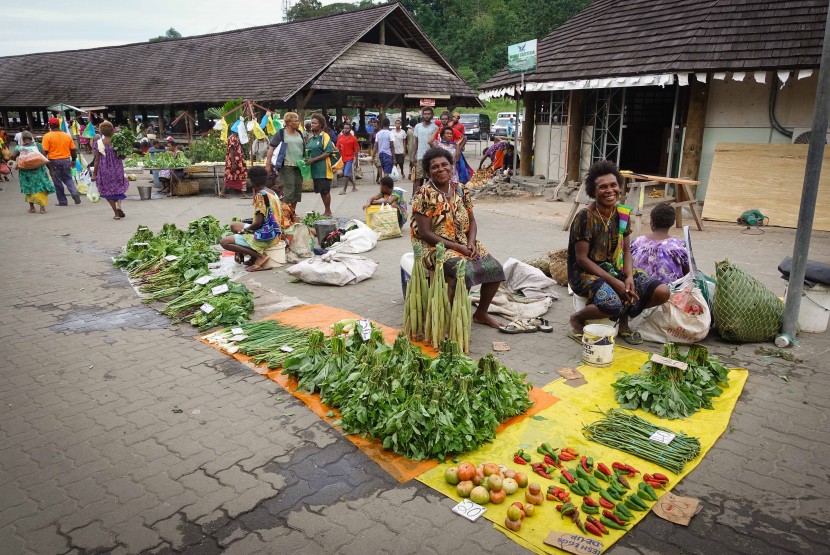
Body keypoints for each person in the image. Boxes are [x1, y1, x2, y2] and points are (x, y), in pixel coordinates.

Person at [567, 160, 671, 345]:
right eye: (603, 187)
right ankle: (577, 318)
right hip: (585, 273)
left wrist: (629, 277)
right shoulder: (585, 217)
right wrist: (614, 281)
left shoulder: (622, 214)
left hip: (616, 269)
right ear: (593, 191)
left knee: (662, 292)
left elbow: (626, 250)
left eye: (613, 185)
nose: (610, 190)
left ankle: (623, 320)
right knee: (612, 303)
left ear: (620, 187)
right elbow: (581, 259)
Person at [411, 147, 505, 329]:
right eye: (435, 167)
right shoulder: (423, 194)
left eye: (444, 164)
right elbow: (424, 233)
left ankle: (481, 313)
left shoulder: (461, 190)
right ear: (429, 171)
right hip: (434, 248)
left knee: (495, 270)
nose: (441, 169)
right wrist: (457, 247)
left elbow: (472, 220)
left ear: (451, 166)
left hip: (463, 242)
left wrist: (470, 243)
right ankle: (451, 319)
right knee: (465, 272)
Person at [220, 167, 284, 272]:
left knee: (224, 242)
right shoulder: (271, 192)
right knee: (234, 226)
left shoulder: (260, 196)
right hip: (275, 231)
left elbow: (258, 223)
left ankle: (259, 256)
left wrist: (245, 231)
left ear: (252, 181)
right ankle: (252, 257)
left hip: (266, 236)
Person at [631, 203, 690, 284]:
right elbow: (688, 274)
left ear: (652, 221)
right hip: (669, 293)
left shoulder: (637, 242)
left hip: (639, 289)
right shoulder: (678, 247)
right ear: (672, 223)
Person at [265, 111, 305, 211]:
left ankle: (292, 212)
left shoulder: (299, 133)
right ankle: (285, 213)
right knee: (289, 191)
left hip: (299, 166)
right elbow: (271, 148)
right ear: (288, 122)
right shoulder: (281, 133)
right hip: (286, 166)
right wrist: (268, 164)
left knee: (297, 191)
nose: (298, 123)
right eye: (295, 121)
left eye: (298, 121)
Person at [92, 121, 130, 220]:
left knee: (107, 191)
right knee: (118, 188)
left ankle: (116, 214)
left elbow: (96, 160)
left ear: (101, 131)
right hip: (117, 168)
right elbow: (123, 156)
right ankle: (118, 205)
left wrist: (94, 174)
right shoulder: (118, 141)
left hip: (104, 169)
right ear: (112, 130)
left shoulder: (98, 143)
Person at [10, 131, 55, 213]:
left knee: (28, 188)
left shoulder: (19, 147)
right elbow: (44, 159)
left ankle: (32, 207)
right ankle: (42, 208)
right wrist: (51, 170)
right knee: (41, 188)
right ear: (31, 138)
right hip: (39, 171)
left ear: (22, 139)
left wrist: (15, 164)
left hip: (25, 172)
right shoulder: (38, 145)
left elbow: (13, 156)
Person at [42, 117, 80, 206]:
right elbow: (73, 150)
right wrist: (73, 160)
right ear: (59, 125)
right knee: (68, 178)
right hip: (66, 160)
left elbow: (45, 152)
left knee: (57, 181)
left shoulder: (47, 136)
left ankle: (63, 201)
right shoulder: (67, 135)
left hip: (54, 161)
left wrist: (47, 166)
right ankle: (74, 193)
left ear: (50, 125)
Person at [306, 113, 336, 217]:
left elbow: (328, 152)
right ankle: (326, 211)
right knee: (321, 191)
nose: (312, 125)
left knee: (325, 191)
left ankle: (328, 211)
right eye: (311, 123)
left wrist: (314, 159)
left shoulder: (325, 136)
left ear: (320, 124)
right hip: (315, 170)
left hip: (324, 169)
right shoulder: (312, 138)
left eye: (315, 123)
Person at [220, 122, 248, 198]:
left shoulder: (235, 138)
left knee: (239, 176)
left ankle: (243, 194)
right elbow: (231, 151)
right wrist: (233, 163)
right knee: (231, 176)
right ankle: (223, 191)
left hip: (238, 161)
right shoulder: (232, 138)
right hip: (234, 161)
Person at [412, 108, 438, 189]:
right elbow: (416, 142)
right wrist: (414, 155)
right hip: (419, 156)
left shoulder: (435, 127)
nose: (427, 115)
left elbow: (435, 143)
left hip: (430, 157)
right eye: (425, 114)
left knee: (428, 179)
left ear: (432, 115)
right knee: (418, 179)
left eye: (428, 114)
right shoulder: (418, 126)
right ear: (422, 115)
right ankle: (415, 198)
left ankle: (426, 198)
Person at [336, 122, 360, 195]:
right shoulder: (340, 137)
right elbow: (338, 147)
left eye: (347, 128)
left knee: (346, 174)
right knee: (345, 173)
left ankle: (344, 190)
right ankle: (354, 185)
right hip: (342, 158)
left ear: (350, 129)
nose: (346, 129)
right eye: (345, 128)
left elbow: (356, 150)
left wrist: (356, 160)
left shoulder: (353, 139)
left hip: (350, 158)